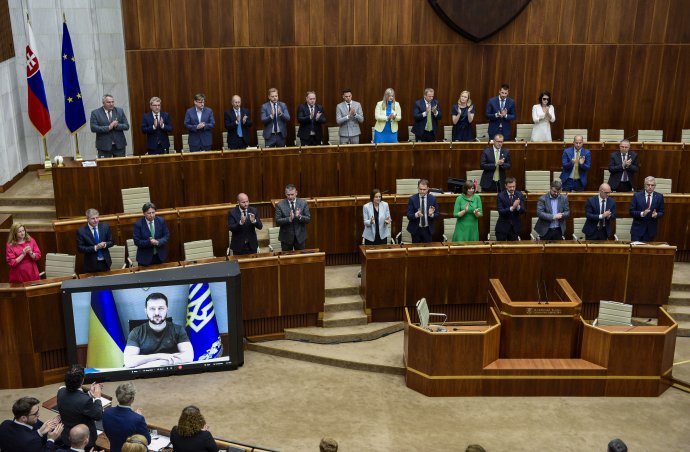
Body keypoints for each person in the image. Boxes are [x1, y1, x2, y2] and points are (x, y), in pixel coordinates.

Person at [124, 292, 194, 368]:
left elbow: (189, 356)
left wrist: (157, 364)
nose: (157, 313)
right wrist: (160, 356)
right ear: (146, 311)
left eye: (161, 308)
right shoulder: (136, 332)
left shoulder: (178, 330)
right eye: (152, 309)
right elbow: (128, 362)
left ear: (167, 310)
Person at [56, 365, 103, 451]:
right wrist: (97, 397)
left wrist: (89, 394)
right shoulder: (85, 401)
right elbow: (98, 415)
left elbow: (74, 402)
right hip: (83, 441)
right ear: (82, 380)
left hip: (67, 437)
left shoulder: (61, 391)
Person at [102, 383, 150, 452]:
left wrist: (134, 416)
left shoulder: (106, 413)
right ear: (132, 399)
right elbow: (147, 440)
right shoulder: (138, 419)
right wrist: (137, 417)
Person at [76, 208, 114, 274]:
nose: (96, 220)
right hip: (91, 265)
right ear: (87, 219)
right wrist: (95, 248)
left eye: (97, 218)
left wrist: (105, 244)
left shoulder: (105, 227)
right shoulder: (81, 231)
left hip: (105, 262)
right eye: (93, 218)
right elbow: (80, 248)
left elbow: (111, 241)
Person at [275, 184, 311, 251]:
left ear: (296, 193)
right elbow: (277, 221)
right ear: (285, 194)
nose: (290, 197)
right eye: (288, 195)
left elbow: (308, 219)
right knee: (286, 259)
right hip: (286, 238)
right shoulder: (280, 205)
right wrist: (289, 219)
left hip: (300, 237)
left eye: (292, 194)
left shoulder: (303, 203)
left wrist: (299, 216)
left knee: (300, 258)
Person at [133, 202, 170, 266]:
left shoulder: (161, 221)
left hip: (160, 257)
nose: (151, 215)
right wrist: (149, 242)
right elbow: (137, 242)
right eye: (149, 213)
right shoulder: (138, 224)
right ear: (144, 213)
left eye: (153, 212)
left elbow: (167, 236)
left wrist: (158, 242)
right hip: (145, 259)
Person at [630, 176, 665, 242]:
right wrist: (642, 213)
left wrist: (657, 214)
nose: (650, 187)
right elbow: (631, 212)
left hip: (650, 231)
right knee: (635, 251)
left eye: (652, 185)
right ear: (644, 185)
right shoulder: (637, 196)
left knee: (648, 251)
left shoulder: (659, 197)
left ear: (655, 186)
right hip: (637, 231)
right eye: (648, 185)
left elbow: (662, 212)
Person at [406, 179, 439, 243]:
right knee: (415, 250)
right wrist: (416, 214)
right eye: (420, 189)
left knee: (427, 251)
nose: (422, 191)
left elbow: (437, 214)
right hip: (416, 230)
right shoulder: (412, 199)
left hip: (427, 230)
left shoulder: (433, 199)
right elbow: (409, 216)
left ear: (428, 189)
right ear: (417, 188)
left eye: (424, 189)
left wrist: (431, 215)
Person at [495, 176, 525, 241]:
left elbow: (523, 211)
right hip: (502, 228)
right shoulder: (500, 195)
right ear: (506, 186)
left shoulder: (519, 194)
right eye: (510, 187)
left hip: (515, 228)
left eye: (513, 186)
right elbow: (501, 211)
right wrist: (512, 207)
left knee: (513, 249)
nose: (512, 188)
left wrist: (518, 207)